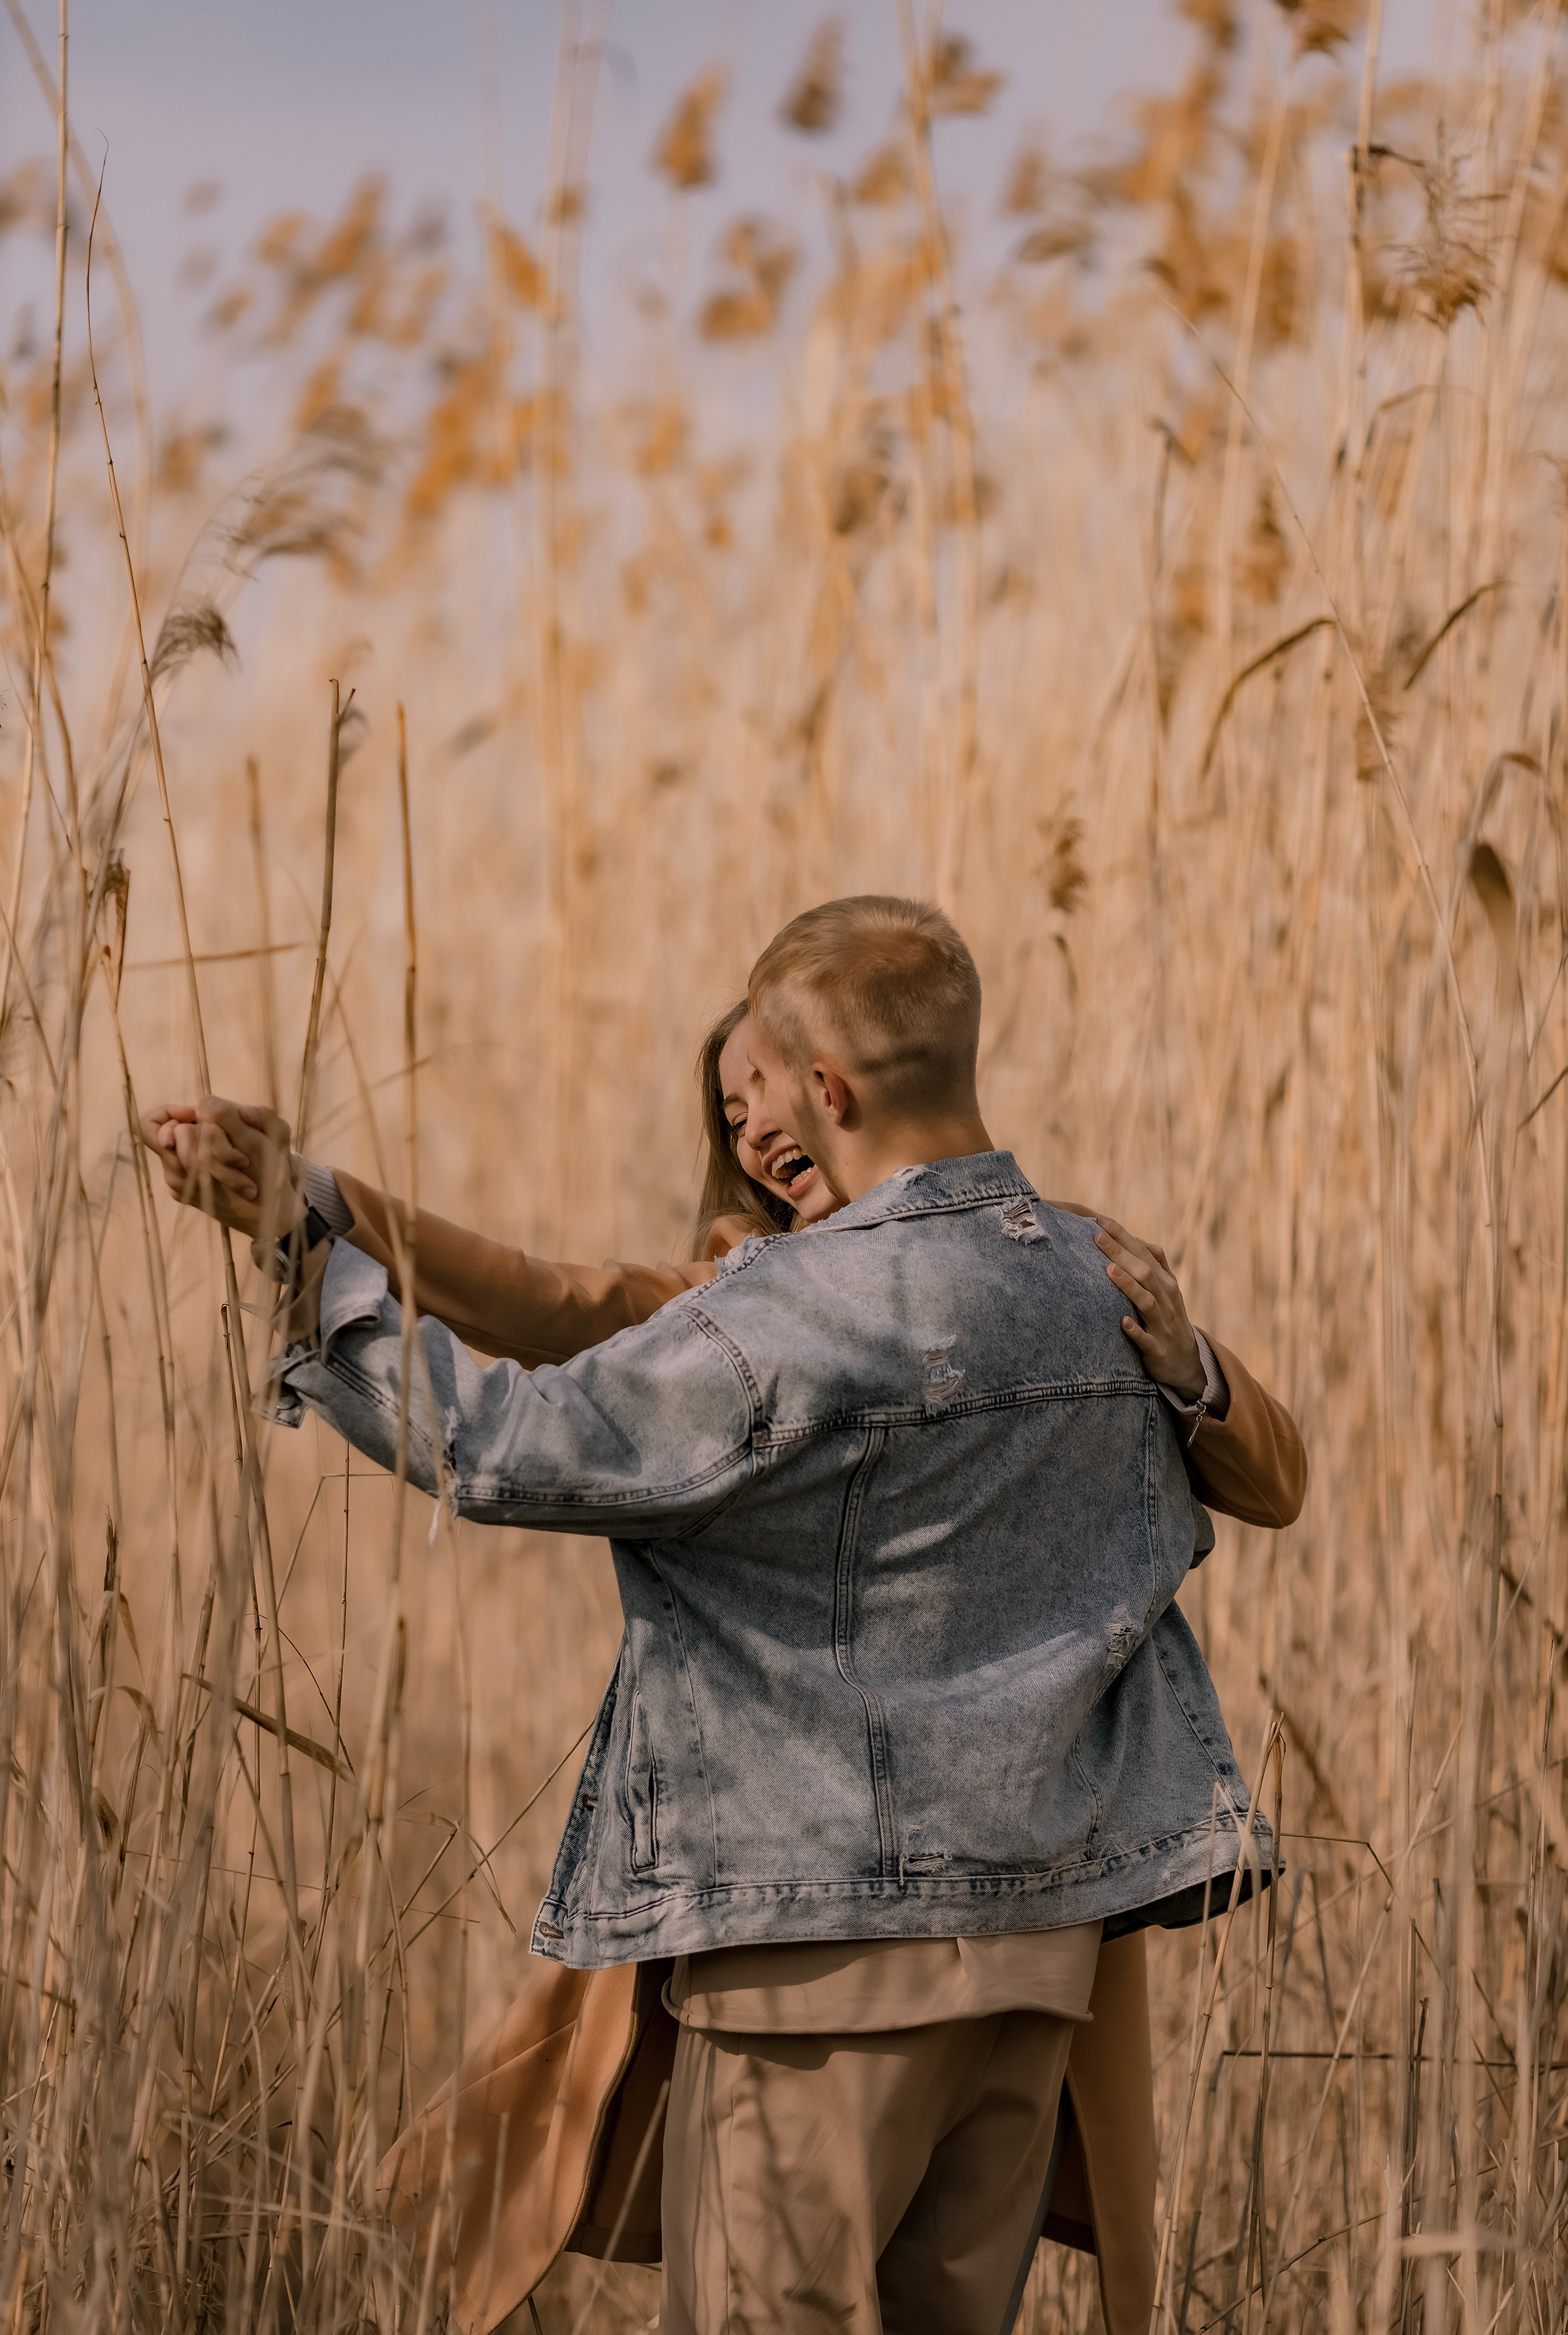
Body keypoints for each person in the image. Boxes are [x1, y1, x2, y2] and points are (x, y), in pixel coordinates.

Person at [145, 896, 1306, 2335]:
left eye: (756, 1089)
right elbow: (561, 1297)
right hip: (1032, 1973)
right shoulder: (1096, 1276)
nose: (749, 1129)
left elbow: (502, 1446)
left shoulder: (792, 1316)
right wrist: (333, 1200)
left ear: (830, 1088)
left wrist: (323, 1283)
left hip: (815, 1972)